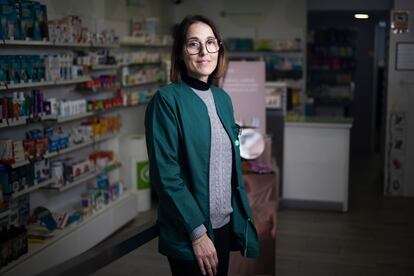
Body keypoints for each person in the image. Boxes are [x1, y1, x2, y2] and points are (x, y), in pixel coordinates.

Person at [145, 15, 259, 276]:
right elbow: (166, 176)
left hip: (224, 226)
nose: (204, 51)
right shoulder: (166, 101)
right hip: (191, 232)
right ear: (180, 53)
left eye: (210, 42)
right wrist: (197, 234)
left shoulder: (223, 99)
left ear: (219, 48)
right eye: (193, 44)